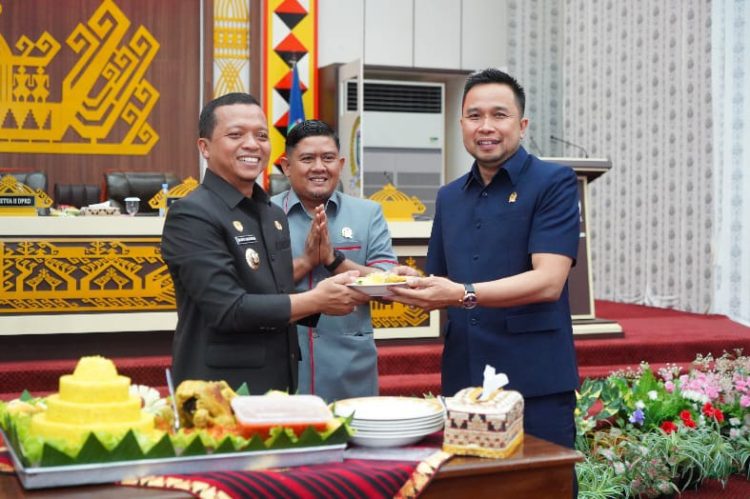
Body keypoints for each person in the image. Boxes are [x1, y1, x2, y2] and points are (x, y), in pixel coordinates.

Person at [390, 68, 581, 456]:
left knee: (541, 483)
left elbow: (549, 282)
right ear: (461, 124)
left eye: (499, 115)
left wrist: (461, 293)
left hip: (534, 379)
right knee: (470, 482)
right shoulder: (449, 196)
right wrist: (414, 282)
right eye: (474, 116)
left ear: (522, 125)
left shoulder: (553, 182)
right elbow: (443, 281)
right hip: (465, 378)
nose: (486, 126)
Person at [161, 93, 362, 394]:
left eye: (262, 136)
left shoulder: (272, 214)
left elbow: (272, 295)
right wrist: (317, 300)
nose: (253, 145)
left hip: (279, 381)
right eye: (236, 135)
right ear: (205, 147)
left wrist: (335, 296)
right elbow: (228, 309)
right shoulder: (192, 214)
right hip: (220, 390)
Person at [271, 120, 398, 402]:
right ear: (286, 166)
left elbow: (390, 287)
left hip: (350, 368)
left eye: (328, 158)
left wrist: (334, 260)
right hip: (281, 366)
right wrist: (306, 262)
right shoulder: (263, 213)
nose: (319, 167)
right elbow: (252, 289)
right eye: (307, 159)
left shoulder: (368, 214)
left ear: (340, 164)